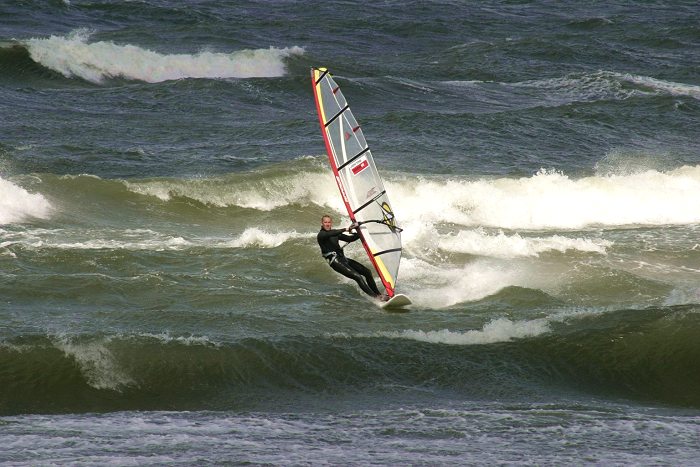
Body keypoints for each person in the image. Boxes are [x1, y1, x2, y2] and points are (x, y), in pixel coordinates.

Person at [317, 214, 387, 300]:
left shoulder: (335, 233)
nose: (327, 224)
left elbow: (350, 239)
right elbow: (332, 233)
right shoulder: (321, 235)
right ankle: (375, 297)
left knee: (367, 272)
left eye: (329, 222)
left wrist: (360, 231)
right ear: (322, 223)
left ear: (331, 223)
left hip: (343, 259)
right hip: (335, 262)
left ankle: (378, 294)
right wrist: (346, 229)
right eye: (325, 222)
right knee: (357, 276)